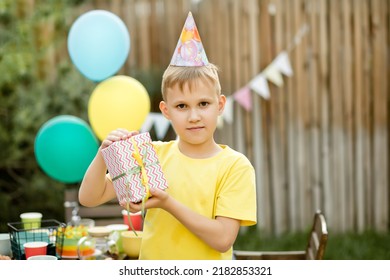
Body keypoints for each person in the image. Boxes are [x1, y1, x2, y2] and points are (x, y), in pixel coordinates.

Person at [78, 12, 256, 260]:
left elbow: (223, 238)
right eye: (182, 106)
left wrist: (167, 203)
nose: (193, 116)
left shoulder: (235, 166)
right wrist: (103, 155)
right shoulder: (152, 155)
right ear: (166, 111)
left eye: (203, 103)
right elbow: (89, 198)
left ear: (220, 105)